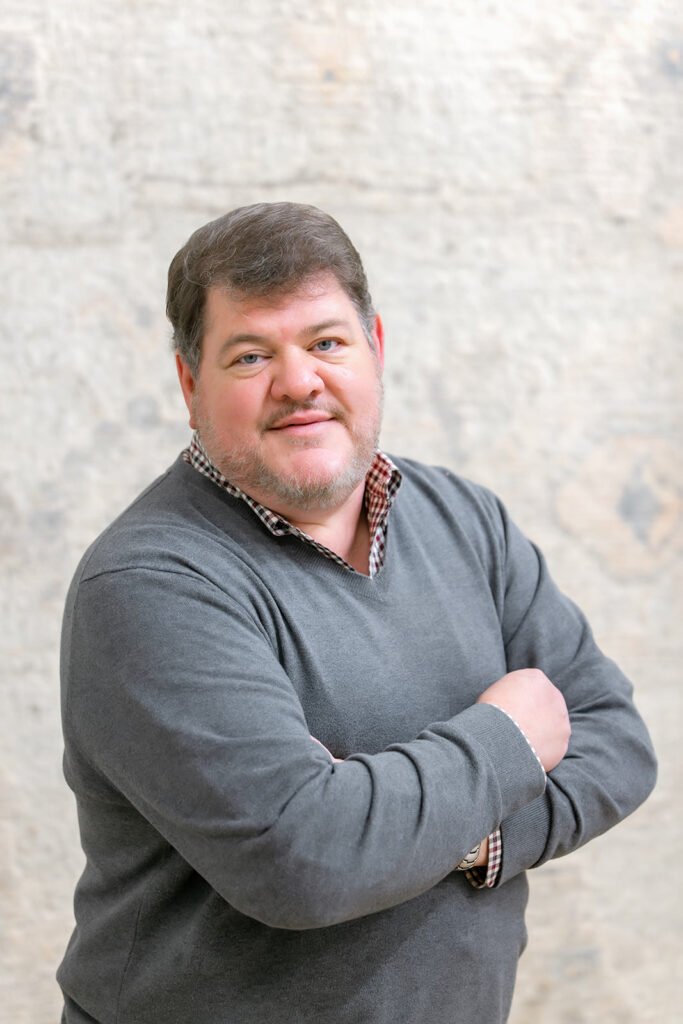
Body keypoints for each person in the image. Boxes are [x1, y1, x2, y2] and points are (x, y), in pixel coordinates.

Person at [58, 202, 656, 1024]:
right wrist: (509, 739)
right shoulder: (151, 584)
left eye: (326, 343)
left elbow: (616, 741)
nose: (299, 381)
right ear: (190, 384)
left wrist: (436, 830)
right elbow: (302, 860)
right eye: (250, 355)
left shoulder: (465, 521)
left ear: (374, 347)